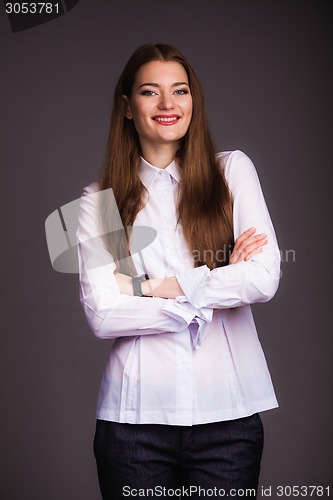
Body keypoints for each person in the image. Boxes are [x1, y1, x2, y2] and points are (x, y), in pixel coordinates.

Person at [76, 43, 281, 500]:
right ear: (128, 107)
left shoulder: (233, 171)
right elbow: (103, 314)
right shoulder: (96, 203)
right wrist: (216, 280)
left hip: (229, 419)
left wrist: (153, 288)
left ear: (194, 101)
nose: (168, 104)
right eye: (151, 92)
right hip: (133, 426)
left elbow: (264, 277)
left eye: (180, 90)